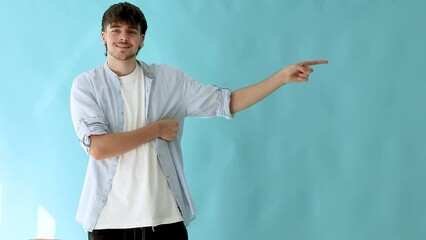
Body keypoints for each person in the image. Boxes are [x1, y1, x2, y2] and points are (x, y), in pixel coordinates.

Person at [70, 2, 328, 240]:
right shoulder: (86, 85)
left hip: (165, 220)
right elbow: (99, 148)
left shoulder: (170, 80)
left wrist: (280, 78)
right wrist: (156, 129)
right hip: (109, 223)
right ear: (104, 36)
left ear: (142, 40)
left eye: (132, 31)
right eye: (115, 30)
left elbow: (226, 102)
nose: (123, 37)